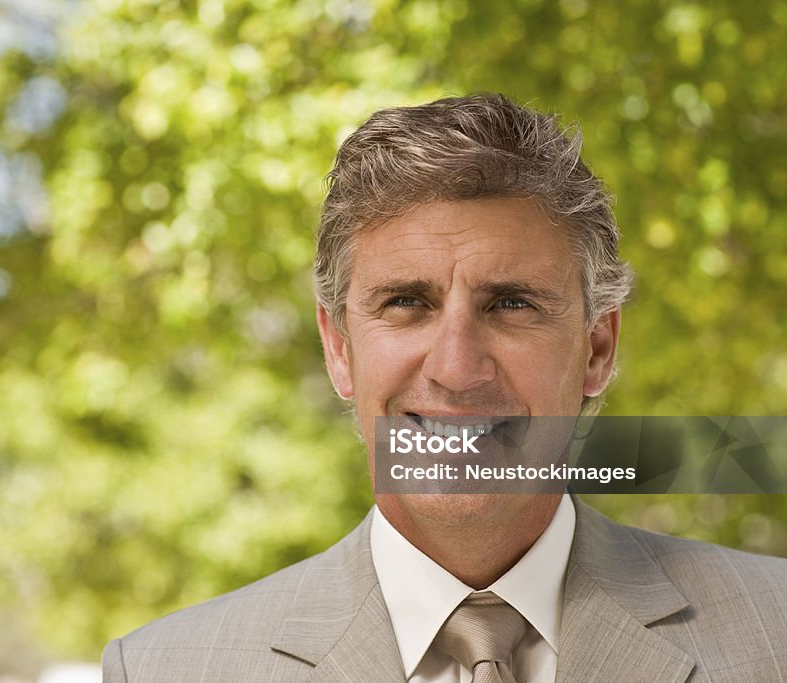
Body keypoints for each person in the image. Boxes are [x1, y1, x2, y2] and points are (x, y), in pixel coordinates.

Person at [102, 93, 787, 682]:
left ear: (597, 348)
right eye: (405, 302)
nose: (457, 369)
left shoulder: (774, 635)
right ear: (340, 348)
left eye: (512, 304)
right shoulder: (167, 667)